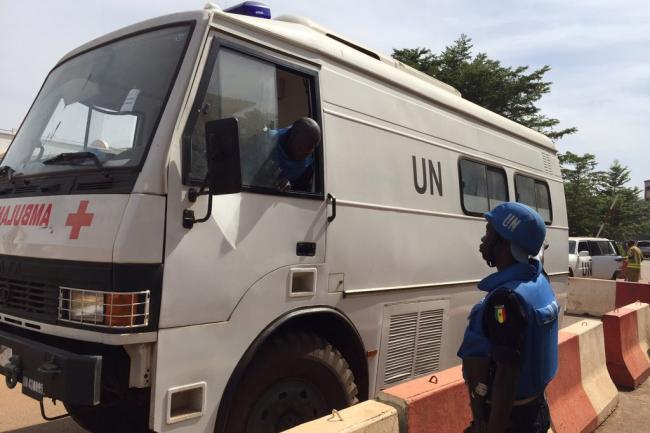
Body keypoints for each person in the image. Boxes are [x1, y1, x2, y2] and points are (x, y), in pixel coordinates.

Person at [458, 202, 559, 433]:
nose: (483, 240)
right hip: (536, 411)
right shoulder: (538, 281)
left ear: (504, 241)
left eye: (488, 232)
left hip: (510, 421)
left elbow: (506, 375)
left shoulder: (506, 299)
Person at [245, 117, 320, 192]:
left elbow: (304, 191)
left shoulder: (311, 161)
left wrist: (290, 186)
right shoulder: (266, 144)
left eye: (311, 149)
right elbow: (247, 179)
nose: (306, 153)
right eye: (301, 148)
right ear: (293, 135)